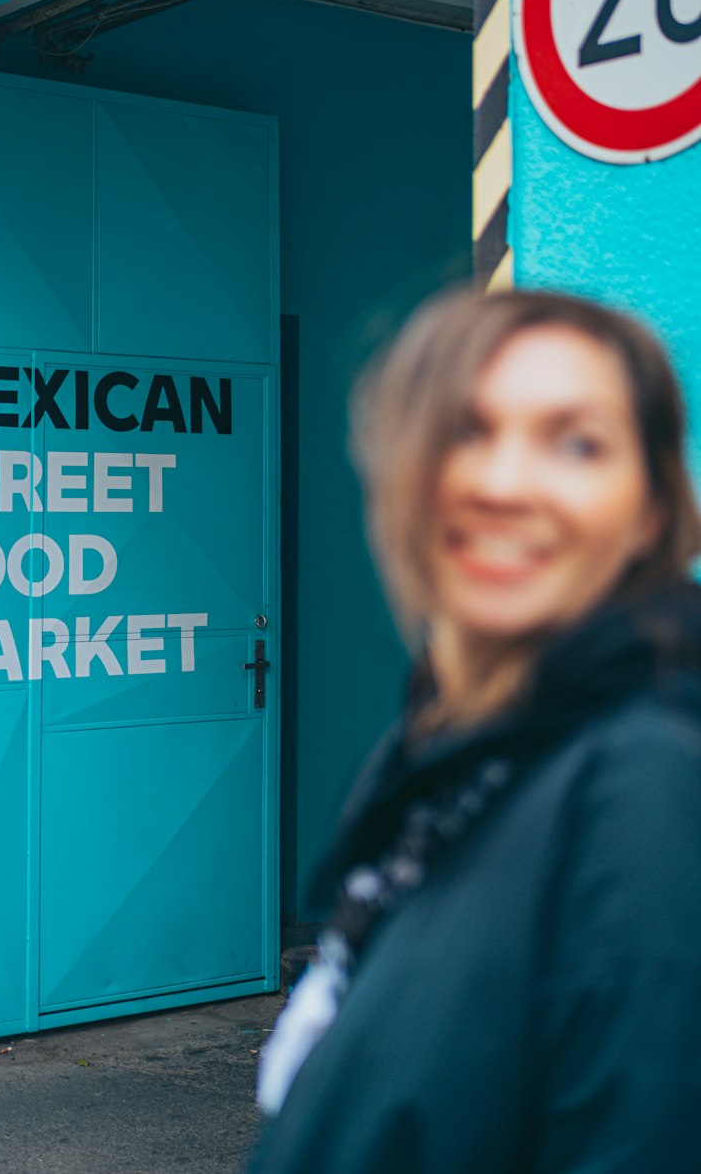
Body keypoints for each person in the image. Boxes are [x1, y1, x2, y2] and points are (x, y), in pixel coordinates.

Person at [249, 287, 701, 1174]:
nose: (503, 485)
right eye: (466, 431)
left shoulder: (644, 782)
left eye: (577, 443)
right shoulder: (449, 742)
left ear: (650, 505)